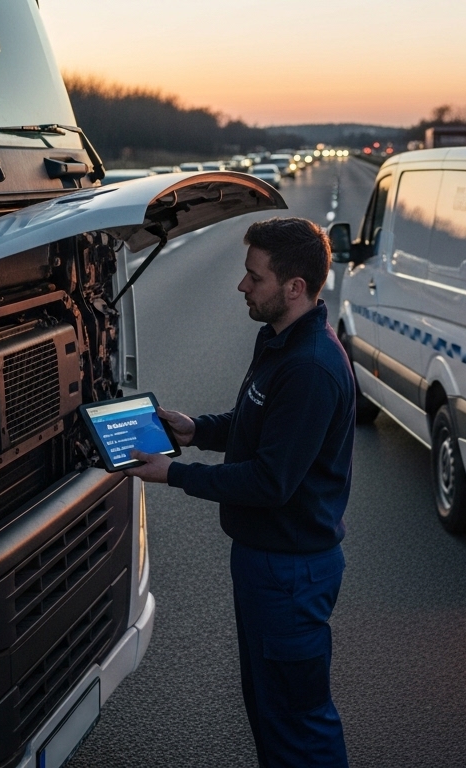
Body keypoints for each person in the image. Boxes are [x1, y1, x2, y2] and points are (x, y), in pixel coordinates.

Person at [126, 217, 353, 767]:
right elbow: (256, 423)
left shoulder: (309, 367)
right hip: (265, 562)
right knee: (270, 708)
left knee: (298, 720)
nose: (242, 286)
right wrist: (195, 430)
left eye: (255, 277)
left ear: (294, 287)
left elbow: (269, 482)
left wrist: (172, 474)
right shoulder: (279, 343)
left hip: (290, 572)